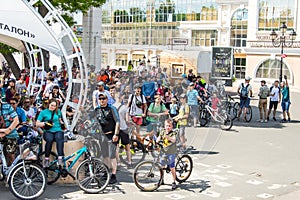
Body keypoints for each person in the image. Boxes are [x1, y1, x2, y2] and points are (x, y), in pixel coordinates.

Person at [95, 93, 120, 184]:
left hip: (111, 135)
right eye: (100, 98)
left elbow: (117, 121)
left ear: (107, 99)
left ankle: (113, 175)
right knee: (105, 155)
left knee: (112, 155)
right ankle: (107, 172)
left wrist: (116, 134)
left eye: (104, 98)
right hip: (102, 136)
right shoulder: (97, 109)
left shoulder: (112, 108)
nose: (102, 100)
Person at [36, 99, 65, 167]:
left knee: (59, 138)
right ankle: (46, 158)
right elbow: (37, 124)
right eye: (52, 105)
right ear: (48, 104)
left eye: (54, 106)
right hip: (48, 130)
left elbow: (60, 120)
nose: (53, 107)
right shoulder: (43, 112)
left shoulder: (58, 112)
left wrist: (62, 124)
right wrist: (45, 123)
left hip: (58, 129)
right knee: (49, 139)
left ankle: (60, 158)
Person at [156, 119, 177, 190]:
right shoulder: (163, 132)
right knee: (162, 166)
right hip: (163, 152)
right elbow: (158, 138)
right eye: (166, 126)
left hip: (171, 152)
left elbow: (174, 140)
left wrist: (169, 138)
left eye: (169, 126)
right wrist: (157, 140)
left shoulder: (173, 133)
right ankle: (162, 179)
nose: (168, 127)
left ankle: (174, 181)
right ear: (164, 126)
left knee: (172, 167)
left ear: (172, 127)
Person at [0, 100, 20, 166]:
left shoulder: (7, 107)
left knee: (11, 156)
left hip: (11, 133)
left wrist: (8, 130)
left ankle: (11, 173)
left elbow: (16, 121)